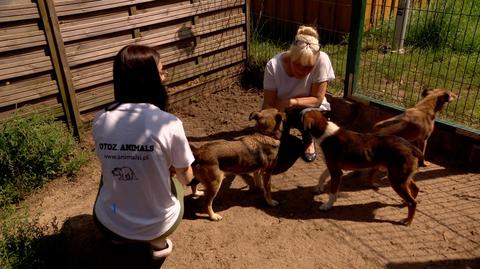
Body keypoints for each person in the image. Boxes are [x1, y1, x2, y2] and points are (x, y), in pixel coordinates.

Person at [92, 44, 195, 260]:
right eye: (161, 71)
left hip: (107, 221)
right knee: (175, 180)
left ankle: (118, 236)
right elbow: (187, 179)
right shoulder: (169, 124)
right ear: (148, 79)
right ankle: (158, 243)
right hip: (158, 225)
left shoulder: (100, 119)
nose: (165, 76)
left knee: (108, 174)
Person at [262, 25, 335, 162]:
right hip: (283, 110)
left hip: (310, 108)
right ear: (290, 56)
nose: (302, 71)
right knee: (275, 148)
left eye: (308, 67)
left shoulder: (322, 59)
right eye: (297, 64)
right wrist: (266, 123)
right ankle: (284, 136)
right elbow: (269, 102)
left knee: (307, 114)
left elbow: (317, 99)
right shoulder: (273, 65)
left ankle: (308, 140)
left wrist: (293, 102)